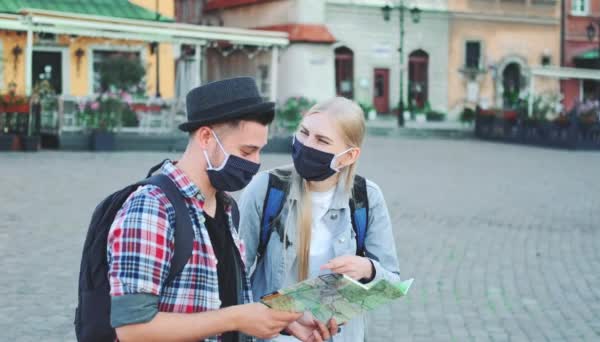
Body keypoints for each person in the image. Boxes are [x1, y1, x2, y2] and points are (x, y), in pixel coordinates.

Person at [107, 77, 335, 342]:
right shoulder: (152, 208)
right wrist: (238, 317)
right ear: (206, 137)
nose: (256, 163)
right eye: (247, 151)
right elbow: (132, 330)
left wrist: (284, 317)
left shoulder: (226, 208)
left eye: (259, 151)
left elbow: (222, 297)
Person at [238, 97, 401, 341]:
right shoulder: (265, 189)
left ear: (348, 156)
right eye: (304, 133)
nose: (306, 145)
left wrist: (368, 268)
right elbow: (235, 277)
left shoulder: (366, 197)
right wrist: (277, 318)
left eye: (322, 140)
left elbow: (391, 282)